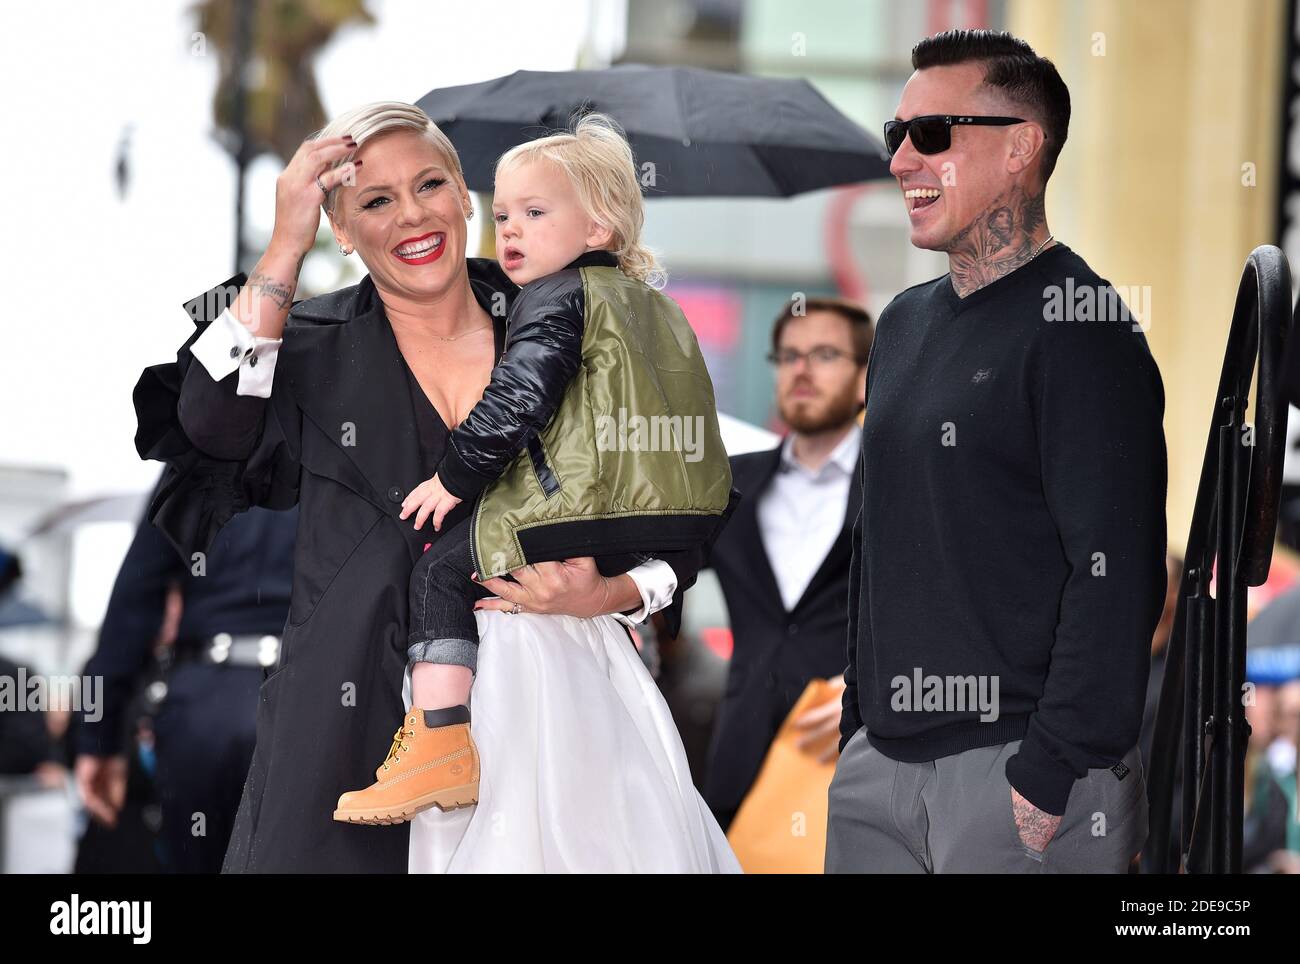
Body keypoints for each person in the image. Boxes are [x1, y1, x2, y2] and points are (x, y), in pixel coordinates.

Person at [134, 100, 737, 872]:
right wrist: (285, 244)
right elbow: (212, 425)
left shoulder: (579, 321)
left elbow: (680, 499)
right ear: (341, 230)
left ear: (464, 195)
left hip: (553, 743)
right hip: (346, 750)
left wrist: (609, 594)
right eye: (375, 202)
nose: (411, 215)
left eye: (429, 185)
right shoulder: (307, 345)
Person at [826, 29, 1167, 873]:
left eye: (932, 134)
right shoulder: (902, 323)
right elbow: (878, 541)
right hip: (878, 776)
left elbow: (1118, 573)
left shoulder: (1085, 332)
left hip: (1021, 778)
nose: (903, 159)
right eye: (894, 135)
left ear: (1021, 147)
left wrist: (1049, 774)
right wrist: (857, 730)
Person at [703, 296, 869, 830]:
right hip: (740, 757)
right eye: (788, 356)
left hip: (852, 760)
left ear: (867, 377)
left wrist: (877, 680)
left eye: (824, 355)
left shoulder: (903, 486)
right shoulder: (727, 482)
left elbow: (948, 605)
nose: (801, 370)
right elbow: (658, 572)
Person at [73, 479, 296, 873]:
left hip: (204, 707)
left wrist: (98, 739)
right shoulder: (344, 445)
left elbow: (134, 600)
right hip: (310, 699)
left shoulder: (198, 446)